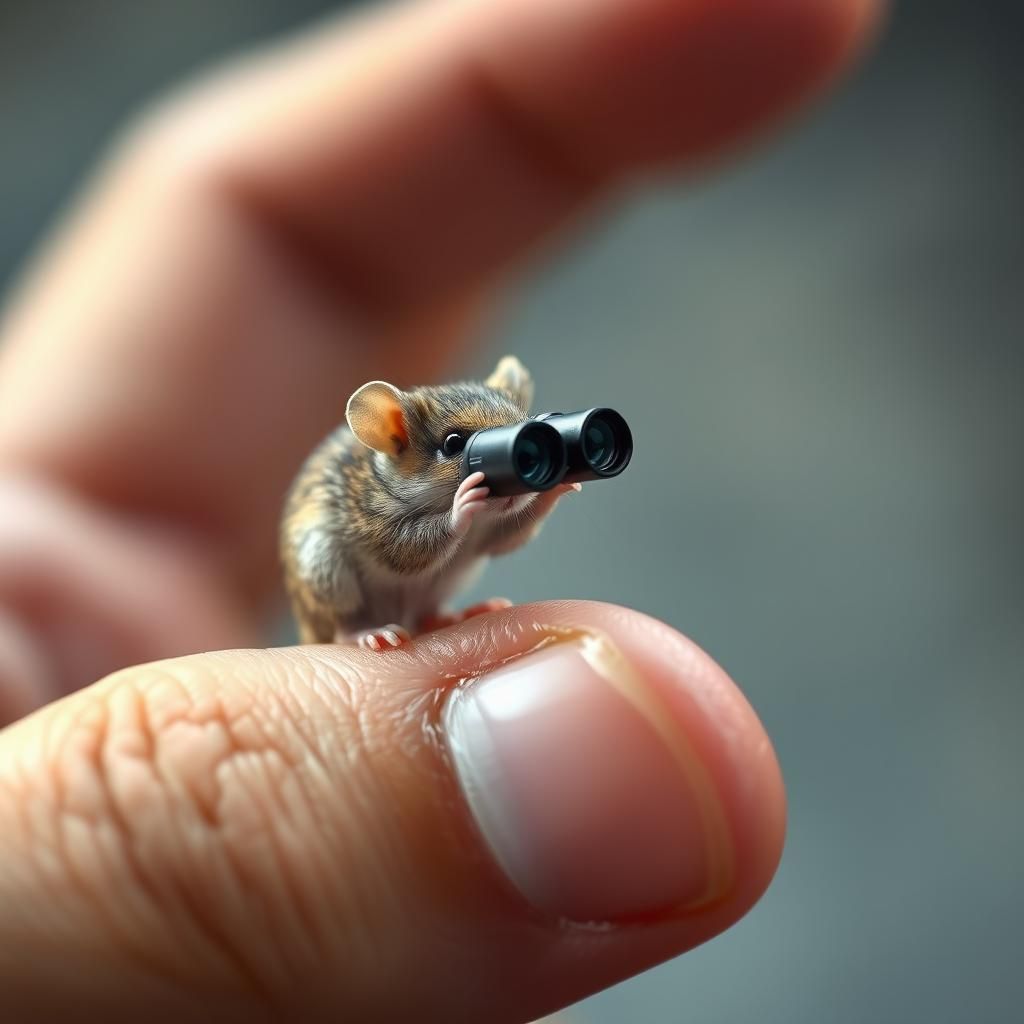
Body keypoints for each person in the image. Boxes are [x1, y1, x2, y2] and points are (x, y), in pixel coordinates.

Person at [0, 0, 880, 1019]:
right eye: (457, 449)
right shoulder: (386, 481)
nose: (480, 471)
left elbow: (498, 536)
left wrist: (530, 498)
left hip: (425, 585)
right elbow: (398, 541)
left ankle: (411, 633)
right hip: (358, 584)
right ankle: (358, 647)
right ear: (397, 440)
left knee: (462, 569)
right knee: (346, 563)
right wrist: (455, 518)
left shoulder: (472, 490)